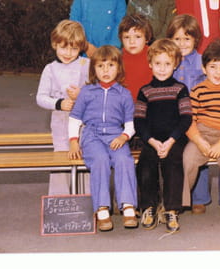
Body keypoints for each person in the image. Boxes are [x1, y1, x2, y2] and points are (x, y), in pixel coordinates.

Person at [68, 45, 138, 232]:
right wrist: (73, 142)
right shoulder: (87, 92)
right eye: (100, 66)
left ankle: (128, 206)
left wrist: (124, 137)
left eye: (110, 65)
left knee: (124, 160)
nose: (105, 71)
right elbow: (75, 118)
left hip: (116, 135)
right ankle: (102, 209)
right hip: (93, 135)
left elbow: (130, 124)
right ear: (93, 69)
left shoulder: (124, 94)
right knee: (100, 160)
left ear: (119, 68)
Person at [134, 39, 191, 232]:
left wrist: (171, 140)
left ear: (175, 64)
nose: (162, 68)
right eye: (158, 63)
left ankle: (171, 209)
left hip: (175, 138)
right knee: (145, 164)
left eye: (167, 63)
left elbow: (186, 118)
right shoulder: (145, 91)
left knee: (173, 163)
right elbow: (139, 121)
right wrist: (152, 141)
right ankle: (148, 207)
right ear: (150, 64)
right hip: (152, 139)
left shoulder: (180, 89)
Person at [181, 40, 220, 215]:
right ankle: (181, 200)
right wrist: (198, 141)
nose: (218, 72)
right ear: (204, 69)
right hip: (201, 134)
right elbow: (189, 120)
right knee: (188, 159)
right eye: (213, 67)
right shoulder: (197, 90)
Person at [35, 19, 90, 195]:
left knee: (85, 162)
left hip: (85, 126)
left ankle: (87, 202)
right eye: (63, 47)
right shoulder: (50, 69)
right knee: (61, 162)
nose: (68, 53)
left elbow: (97, 92)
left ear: (81, 48)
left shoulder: (86, 65)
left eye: (74, 49)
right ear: (55, 44)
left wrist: (82, 94)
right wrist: (59, 104)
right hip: (61, 125)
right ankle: (59, 203)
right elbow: (40, 98)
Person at [165, 13, 211, 214]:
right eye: (177, 39)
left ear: (195, 40)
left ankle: (199, 197)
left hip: (198, 116)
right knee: (176, 156)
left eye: (187, 38)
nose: (182, 43)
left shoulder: (202, 61)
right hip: (174, 117)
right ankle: (175, 196)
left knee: (199, 151)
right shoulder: (167, 61)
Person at [119, 13, 153, 102]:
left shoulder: (153, 55)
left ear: (147, 38)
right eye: (127, 37)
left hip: (148, 103)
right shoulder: (117, 58)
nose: (132, 42)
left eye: (137, 37)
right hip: (125, 104)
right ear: (121, 39)